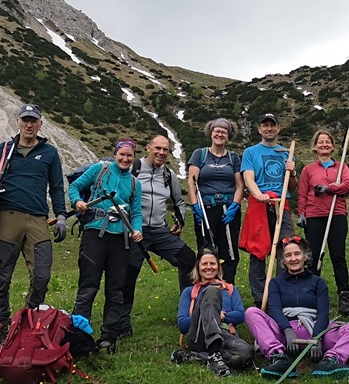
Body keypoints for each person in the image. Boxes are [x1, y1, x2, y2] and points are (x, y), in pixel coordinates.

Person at [0, 103, 68, 346]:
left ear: (40, 124)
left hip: (38, 219)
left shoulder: (49, 153)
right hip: (8, 218)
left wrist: (60, 216)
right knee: (2, 278)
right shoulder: (3, 150)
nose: (29, 125)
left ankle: (27, 321)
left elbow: (57, 187)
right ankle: (0, 326)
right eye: (25, 120)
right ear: (17, 122)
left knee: (42, 275)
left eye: (34, 121)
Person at [244, 237, 349, 379]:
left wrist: (317, 338)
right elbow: (275, 310)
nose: (293, 259)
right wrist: (287, 331)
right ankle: (279, 358)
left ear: (305, 256)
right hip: (284, 332)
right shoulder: (275, 283)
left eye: (297, 254)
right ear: (283, 260)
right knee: (251, 312)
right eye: (288, 255)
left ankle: (330, 361)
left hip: (314, 328)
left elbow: (323, 312)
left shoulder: (318, 282)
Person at [68, 138, 143, 353]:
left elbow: (136, 213)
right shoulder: (99, 170)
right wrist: (77, 202)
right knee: (88, 286)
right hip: (95, 235)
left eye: (130, 156)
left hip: (121, 239)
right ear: (116, 153)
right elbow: (75, 187)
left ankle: (109, 337)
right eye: (122, 154)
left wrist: (137, 230)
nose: (125, 159)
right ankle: (79, 335)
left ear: (133, 157)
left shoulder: (135, 184)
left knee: (116, 289)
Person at [117, 135, 195, 338]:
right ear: (148, 147)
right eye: (157, 148)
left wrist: (179, 222)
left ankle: (188, 311)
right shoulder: (133, 168)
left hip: (160, 231)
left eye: (165, 150)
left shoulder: (168, 175)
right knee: (129, 273)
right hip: (136, 230)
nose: (161, 153)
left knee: (188, 258)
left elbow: (178, 202)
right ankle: (123, 321)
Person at [240, 113, 296, 307]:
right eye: (265, 125)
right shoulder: (250, 152)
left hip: (282, 205)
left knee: (286, 248)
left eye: (272, 125)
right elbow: (248, 178)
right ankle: (259, 299)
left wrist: (293, 171)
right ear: (259, 129)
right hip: (260, 204)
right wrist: (258, 194)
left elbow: (292, 187)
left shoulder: (286, 153)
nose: (269, 129)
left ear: (278, 128)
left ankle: (282, 294)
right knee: (258, 251)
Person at [297, 129, 349, 317]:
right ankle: (312, 295)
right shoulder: (308, 170)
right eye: (320, 142)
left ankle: (344, 295)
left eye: (327, 142)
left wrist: (329, 188)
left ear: (332, 146)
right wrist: (302, 213)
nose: (324, 145)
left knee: (338, 255)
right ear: (315, 146)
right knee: (313, 256)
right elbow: (303, 193)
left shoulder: (342, 167)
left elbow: (347, 186)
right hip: (314, 216)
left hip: (336, 214)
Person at [173, 251, 253, 377]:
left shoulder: (230, 289)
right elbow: (182, 325)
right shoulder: (189, 292)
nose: (209, 267)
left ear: (218, 267)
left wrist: (221, 316)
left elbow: (240, 316)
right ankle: (214, 352)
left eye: (212, 263)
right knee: (211, 291)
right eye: (204, 264)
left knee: (245, 352)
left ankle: (200, 357)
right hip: (199, 336)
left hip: (225, 334)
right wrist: (206, 313)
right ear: (198, 268)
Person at [187, 118, 245, 285]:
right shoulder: (200, 154)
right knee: (206, 250)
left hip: (228, 209)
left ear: (228, 136)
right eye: (217, 131)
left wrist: (235, 205)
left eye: (224, 132)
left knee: (229, 252)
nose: (220, 134)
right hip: (206, 209)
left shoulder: (233, 158)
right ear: (211, 133)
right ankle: (204, 288)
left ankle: (227, 289)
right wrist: (195, 206)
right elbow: (192, 181)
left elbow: (240, 184)